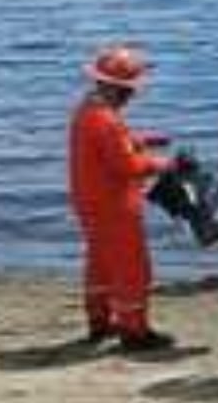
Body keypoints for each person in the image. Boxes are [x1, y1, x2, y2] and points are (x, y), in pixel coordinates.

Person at [68, 45, 176, 351]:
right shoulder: (107, 120)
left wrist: (143, 140)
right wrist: (164, 164)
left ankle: (99, 321)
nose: (134, 95)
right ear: (119, 88)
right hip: (114, 203)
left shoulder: (87, 109)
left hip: (88, 200)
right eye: (131, 89)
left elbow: (109, 146)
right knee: (133, 268)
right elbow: (127, 166)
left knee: (100, 262)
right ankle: (135, 331)